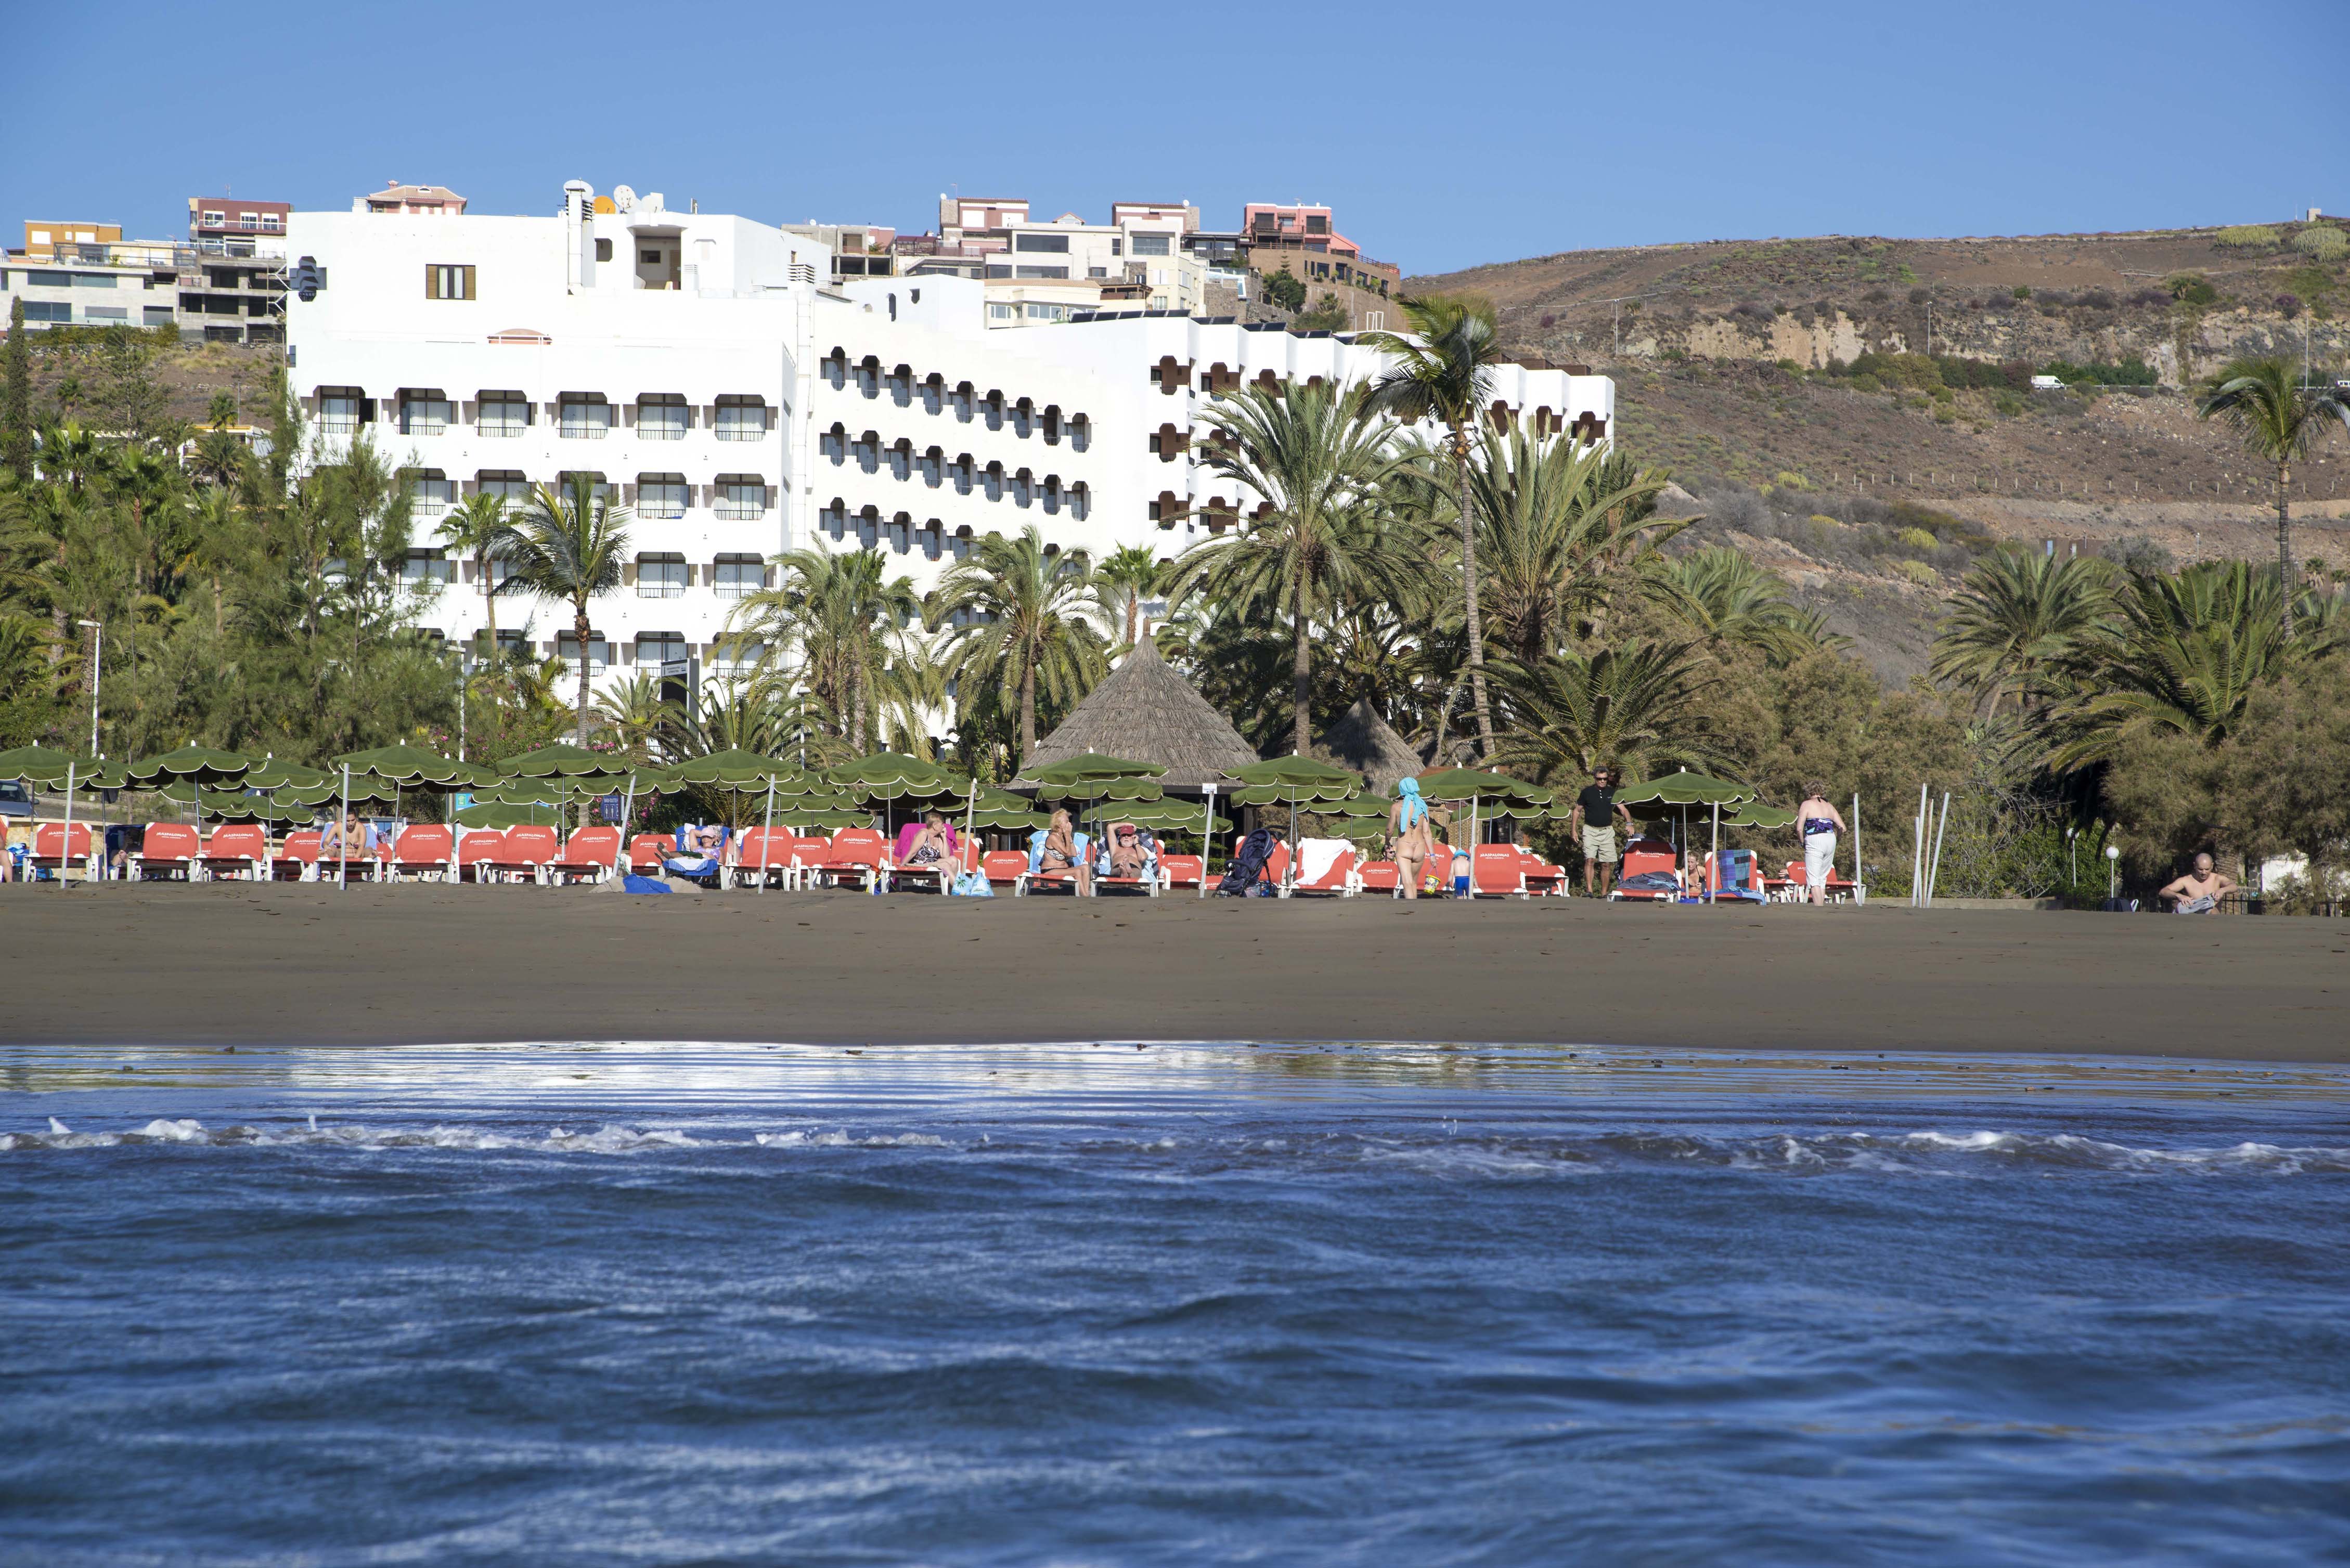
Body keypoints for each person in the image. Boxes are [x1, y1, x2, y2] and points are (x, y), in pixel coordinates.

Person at [1570, 764, 1635, 898]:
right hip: (1590, 830)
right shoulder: (1587, 792)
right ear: (1595, 778)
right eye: (1600, 779)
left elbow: (1623, 810)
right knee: (1590, 859)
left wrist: (1629, 823)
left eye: (1605, 779)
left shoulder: (1612, 792)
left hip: (1607, 832)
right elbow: (1577, 811)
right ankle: (1590, 891)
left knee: (1606, 864)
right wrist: (1574, 830)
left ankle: (1604, 893)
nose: (1602, 781)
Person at [1797, 782, 1848, 906]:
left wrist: (1802, 842)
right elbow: (1843, 828)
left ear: (1809, 792)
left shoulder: (1807, 804)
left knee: (1813, 878)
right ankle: (1822, 907)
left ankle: (1818, 908)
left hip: (1814, 839)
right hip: (1831, 839)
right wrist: (1837, 839)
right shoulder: (1830, 806)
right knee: (1822, 878)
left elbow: (1799, 828)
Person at [1389, 776, 1435, 900]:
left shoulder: (1397, 807)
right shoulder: (1422, 807)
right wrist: (1432, 855)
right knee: (1414, 883)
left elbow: (1390, 829)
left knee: (1407, 883)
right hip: (1419, 847)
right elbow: (1427, 832)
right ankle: (1416, 911)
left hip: (1405, 846)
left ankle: (1410, 911)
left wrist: (1388, 840)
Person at [2159, 852, 2235, 914]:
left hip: (2213, 921)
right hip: (2192, 919)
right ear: (2195, 866)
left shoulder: (2217, 879)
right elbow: (2163, 891)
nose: (2204, 873)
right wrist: (2178, 896)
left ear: (2212, 866)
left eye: (2207, 869)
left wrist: (2222, 891)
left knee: (2213, 911)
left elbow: (2234, 886)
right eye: (2200, 869)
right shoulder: (2186, 880)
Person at [1042, 807, 1092, 896]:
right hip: (1050, 870)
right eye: (1067, 822)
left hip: (1063, 869)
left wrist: (1070, 839)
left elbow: (1074, 854)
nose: (1070, 824)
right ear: (1060, 824)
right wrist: (1068, 835)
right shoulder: (1053, 837)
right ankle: (1086, 897)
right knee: (1077, 872)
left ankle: (1085, 893)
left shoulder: (1064, 837)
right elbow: (1067, 853)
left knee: (1086, 867)